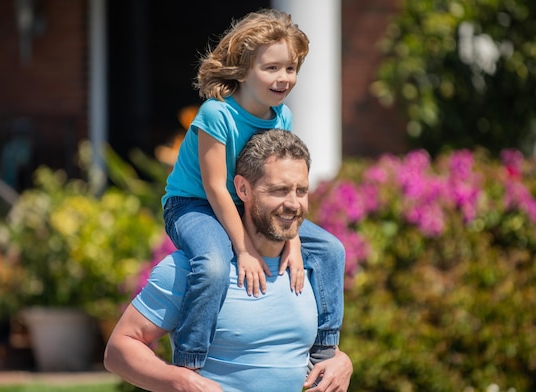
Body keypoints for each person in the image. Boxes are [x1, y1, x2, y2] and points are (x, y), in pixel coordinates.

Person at [161, 8, 346, 371]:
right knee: (214, 265)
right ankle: (190, 362)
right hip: (193, 205)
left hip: (247, 204)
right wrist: (244, 250)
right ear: (243, 70)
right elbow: (215, 187)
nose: (284, 78)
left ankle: (324, 350)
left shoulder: (283, 117)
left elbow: (281, 187)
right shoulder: (217, 114)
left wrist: (292, 243)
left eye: (291, 68)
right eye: (272, 68)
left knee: (331, 251)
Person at [105, 130, 352, 392]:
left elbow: (305, 350)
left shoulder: (311, 267)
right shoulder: (195, 268)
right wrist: (181, 381)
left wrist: (342, 361)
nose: (293, 204)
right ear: (243, 189)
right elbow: (118, 350)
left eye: (301, 191)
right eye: (280, 190)